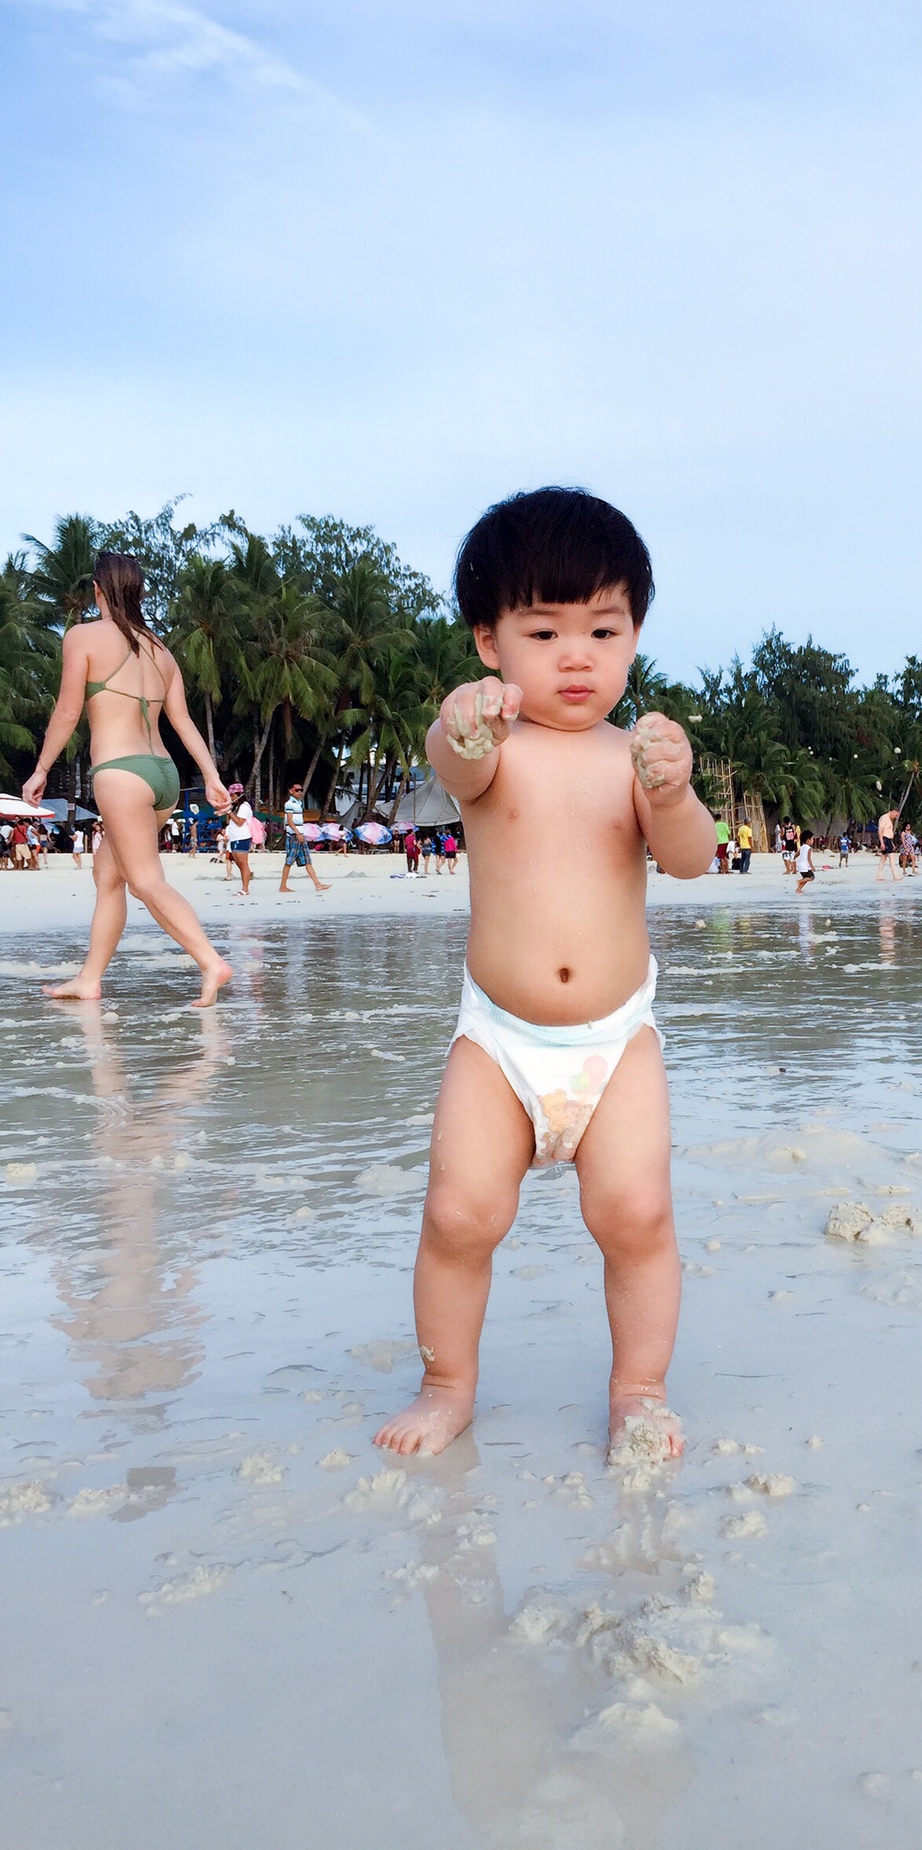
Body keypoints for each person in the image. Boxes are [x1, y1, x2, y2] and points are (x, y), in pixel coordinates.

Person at [375, 486, 714, 1463]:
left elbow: (688, 859)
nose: (577, 655)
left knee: (637, 1216)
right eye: (544, 629)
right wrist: (462, 729)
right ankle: (448, 1384)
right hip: (501, 1041)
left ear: (635, 636)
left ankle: (638, 1390)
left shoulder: (630, 759)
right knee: (458, 1216)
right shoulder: (498, 751)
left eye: (603, 630)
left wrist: (676, 791)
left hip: (615, 1041)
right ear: (489, 642)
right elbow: (457, 764)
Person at [22, 552, 232, 1005]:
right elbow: (183, 721)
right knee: (107, 872)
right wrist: (211, 775)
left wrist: (41, 768)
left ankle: (211, 962)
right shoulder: (161, 650)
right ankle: (89, 978)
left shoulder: (83, 636)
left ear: (97, 589)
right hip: (164, 777)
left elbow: (67, 710)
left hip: (120, 773)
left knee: (144, 880)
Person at [279, 784, 331, 894]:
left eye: (301, 790)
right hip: (294, 835)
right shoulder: (289, 804)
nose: (299, 792)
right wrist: (297, 833)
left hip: (300, 835)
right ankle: (283, 886)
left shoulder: (299, 803)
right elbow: (289, 820)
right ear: (291, 791)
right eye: (297, 790)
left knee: (307, 860)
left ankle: (317, 884)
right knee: (289, 861)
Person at [225, 784, 254, 896]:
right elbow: (229, 821)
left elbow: (239, 822)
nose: (231, 797)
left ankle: (245, 888)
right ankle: (245, 884)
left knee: (243, 863)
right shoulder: (236, 806)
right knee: (238, 862)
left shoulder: (244, 807)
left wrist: (229, 812)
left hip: (242, 837)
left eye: (232, 795)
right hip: (234, 837)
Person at [875, 806, 900, 882]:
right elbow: (880, 831)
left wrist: (891, 843)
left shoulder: (889, 819)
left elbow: (888, 831)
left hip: (888, 840)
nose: (895, 817)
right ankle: (895, 875)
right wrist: (882, 843)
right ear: (893, 811)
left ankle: (879, 875)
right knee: (891, 857)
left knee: (883, 858)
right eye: (896, 815)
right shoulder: (884, 818)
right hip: (885, 839)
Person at [795, 828, 815, 893]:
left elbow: (797, 854)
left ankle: (798, 889)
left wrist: (794, 858)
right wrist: (812, 866)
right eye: (812, 839)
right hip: (805, 867)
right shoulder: (809, 848)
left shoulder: (802, 847)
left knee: (805, 879)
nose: (813, 840)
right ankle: (799, 881)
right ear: (808, 841)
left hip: (800, 866)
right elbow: (809, 858)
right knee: (812, 877)